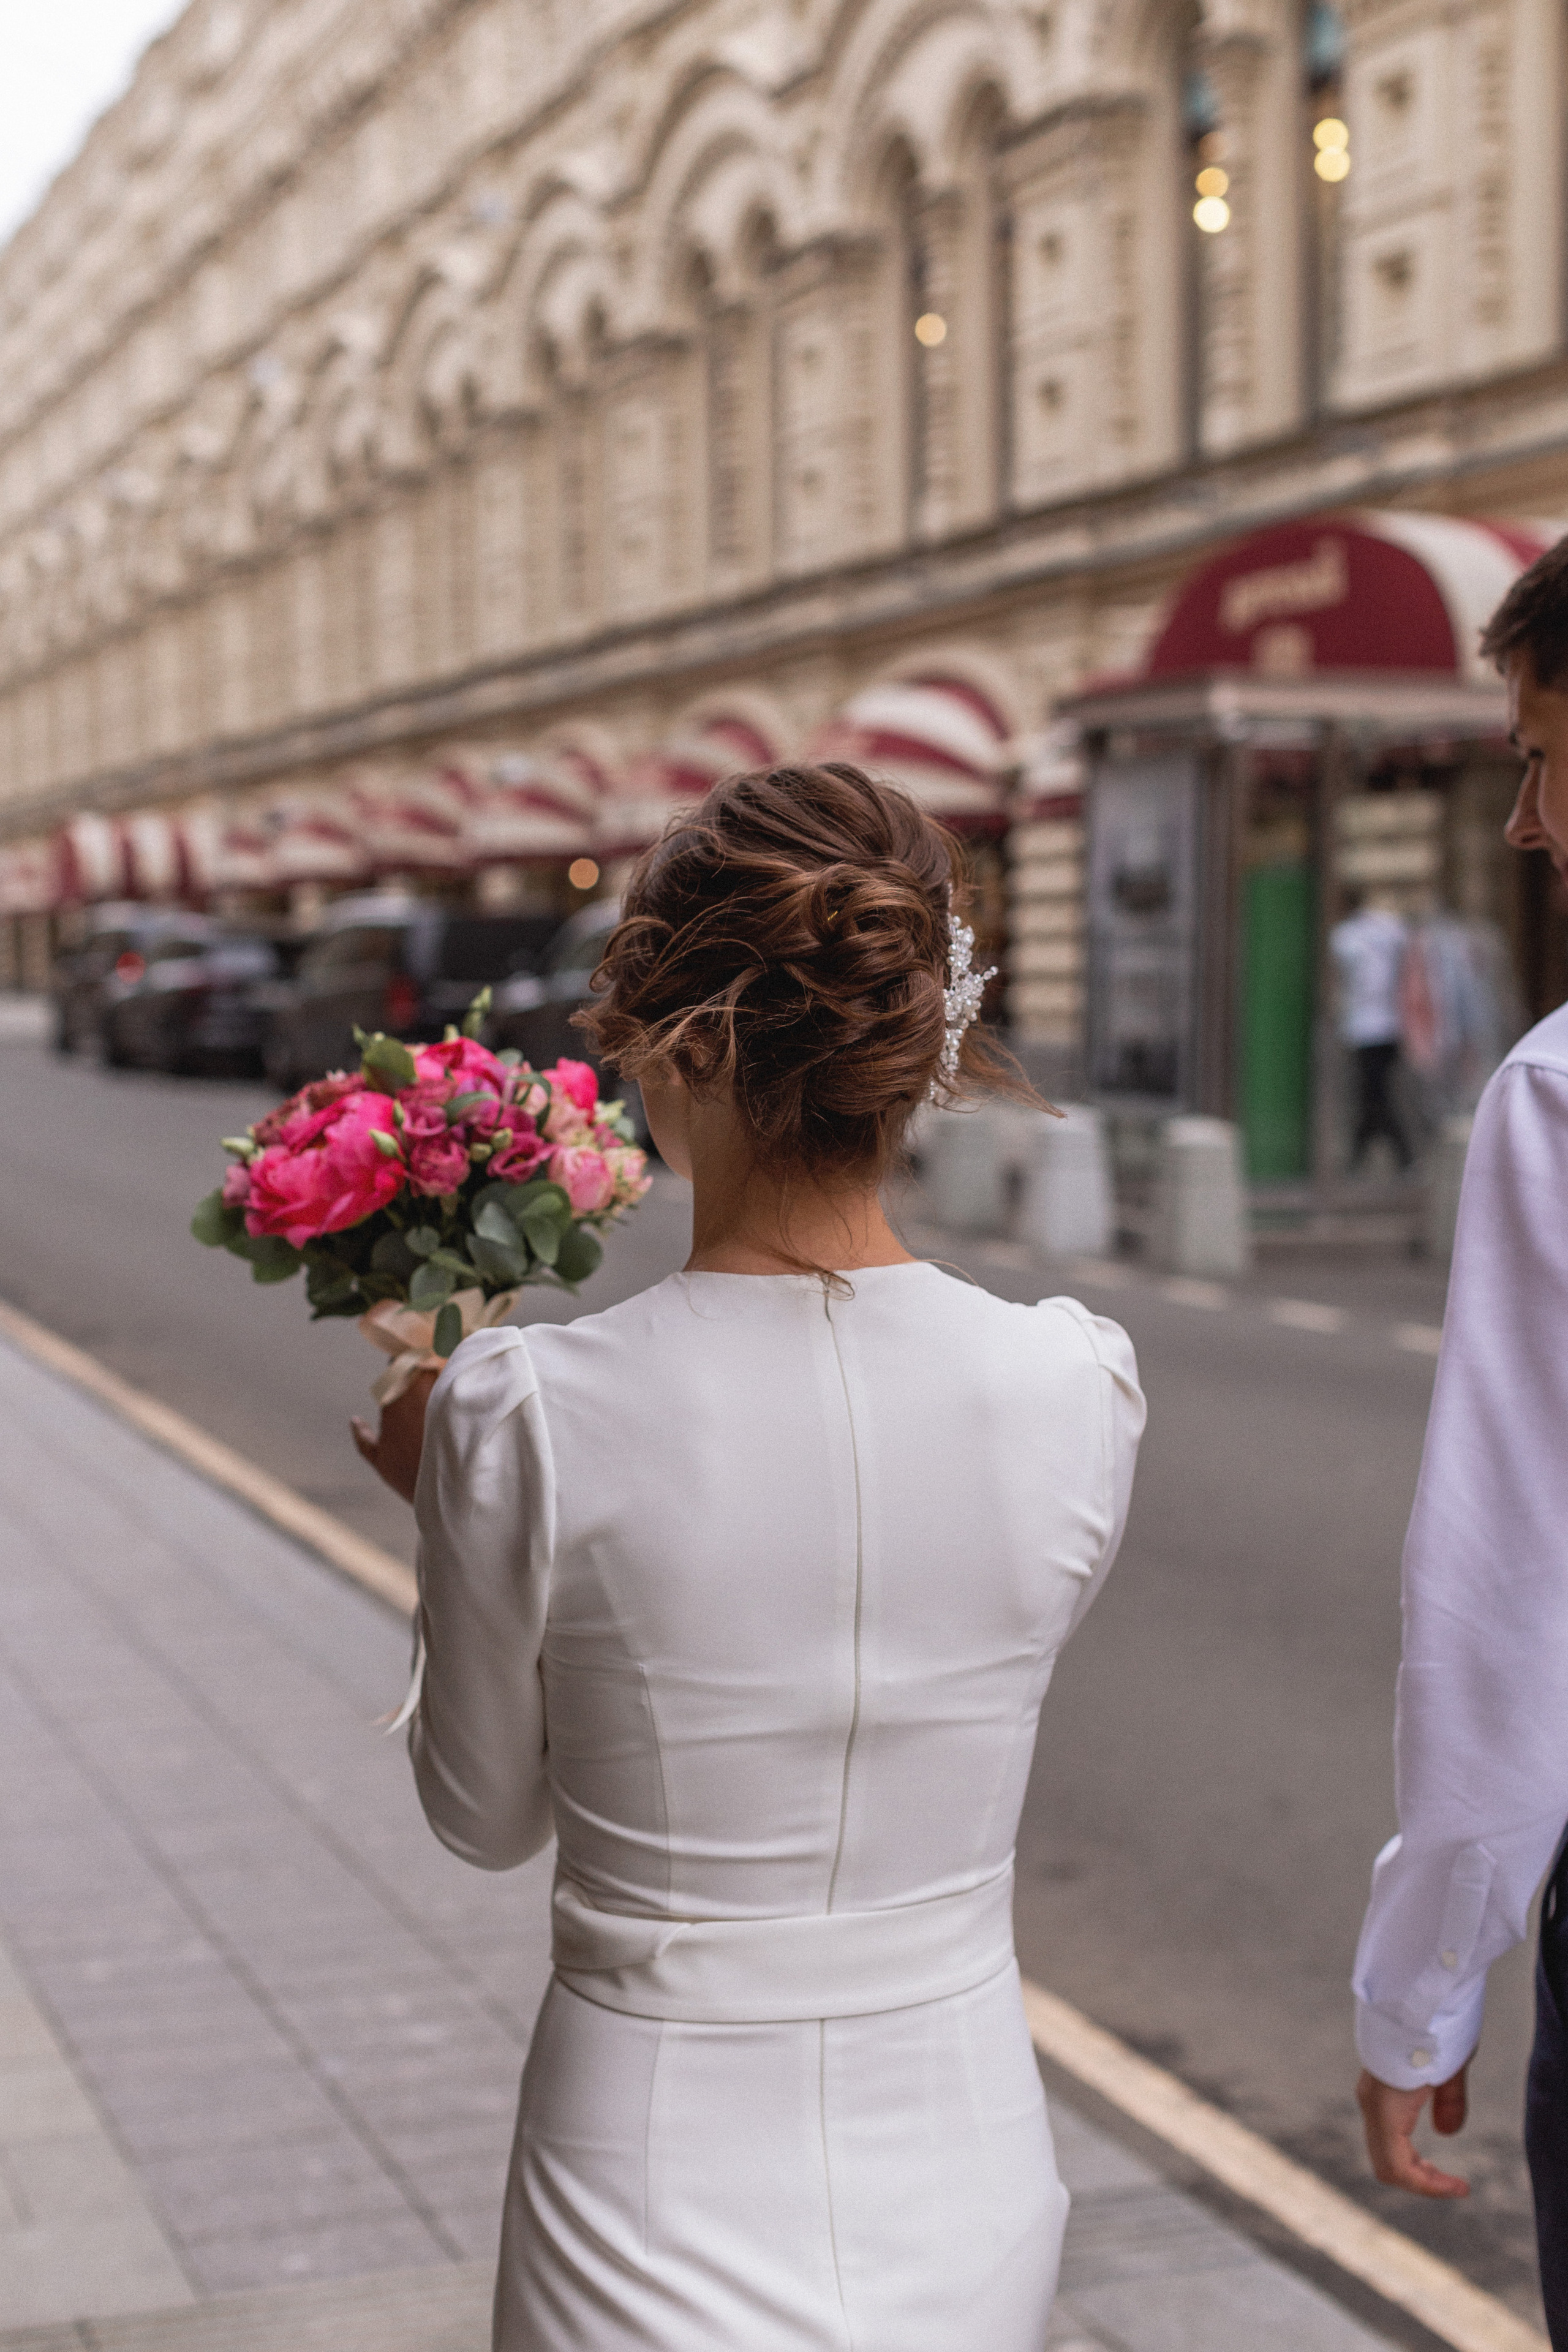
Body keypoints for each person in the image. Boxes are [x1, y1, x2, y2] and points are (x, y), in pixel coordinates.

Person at [354, 763, 1145, 2351]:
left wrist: (443, 1510)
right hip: (966, 2149)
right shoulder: (1081, 1382)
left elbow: (483, 1815)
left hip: (645, 2161)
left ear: (678, 1045)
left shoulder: (529, 1412)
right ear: (919, 1041)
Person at [1352, 535, 1568, 2348]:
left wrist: (1424, 1987)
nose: (1523, 821)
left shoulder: (1562, 1093)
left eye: (1542, 754)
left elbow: (1507, 1591)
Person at [1330, 886, 1415, 1170]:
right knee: (1374, 1090)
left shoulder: (1345, 937)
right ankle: (1371, 1150)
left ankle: (1383, 1150)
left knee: (1374, 1092)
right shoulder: (1390, 928)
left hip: (1365, 1026)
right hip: (1390, 1024)